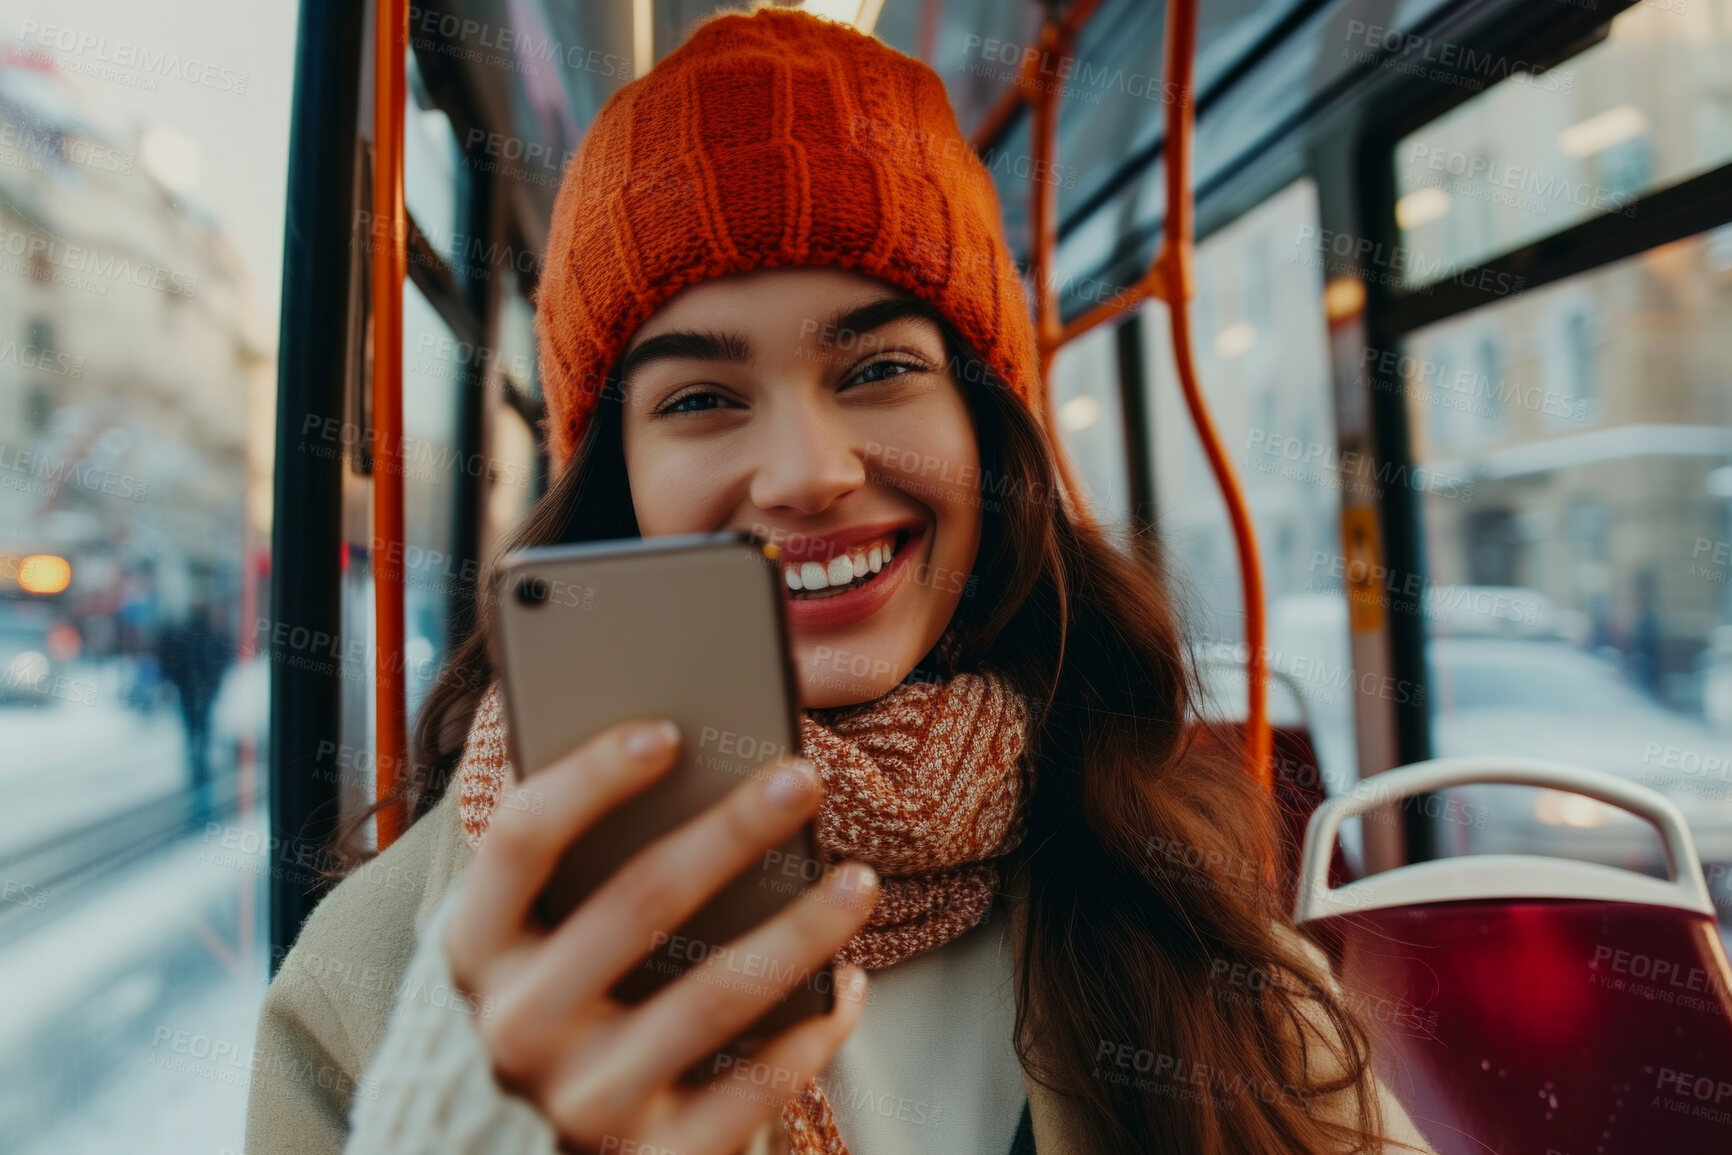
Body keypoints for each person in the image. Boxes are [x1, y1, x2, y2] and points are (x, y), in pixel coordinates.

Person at [244, 8, 1437, 1154]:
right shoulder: (381, 980)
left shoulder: (1171, 893)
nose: (810, 475)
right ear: (619, 488)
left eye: (877, 369)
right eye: (702, 400)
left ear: (984, 428)